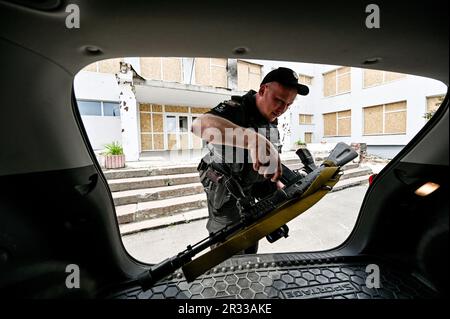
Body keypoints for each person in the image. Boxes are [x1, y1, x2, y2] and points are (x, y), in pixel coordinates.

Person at [191, 67, 309, 253]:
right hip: (225, 186)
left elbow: (262, 161)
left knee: (252, 235)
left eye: (288, 105)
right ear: (262, 91)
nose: (282, 109)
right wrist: (253, 139)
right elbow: (199, 125)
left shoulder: (271, 117)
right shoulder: (237, 109)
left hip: (252, 182)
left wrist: (277, 182)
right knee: (230, 241)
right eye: (278, 100)